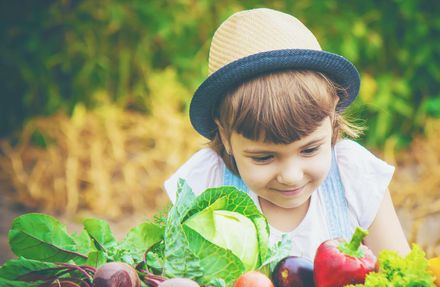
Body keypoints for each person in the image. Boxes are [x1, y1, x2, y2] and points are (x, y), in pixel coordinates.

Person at [165, 8, 410, 260]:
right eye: (263, 158)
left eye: (310, 149)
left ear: (333, 116)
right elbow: (178, 282)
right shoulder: (202, 183)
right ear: (225, 136)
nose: (291, 177)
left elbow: (400, 275)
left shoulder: (355, 177)